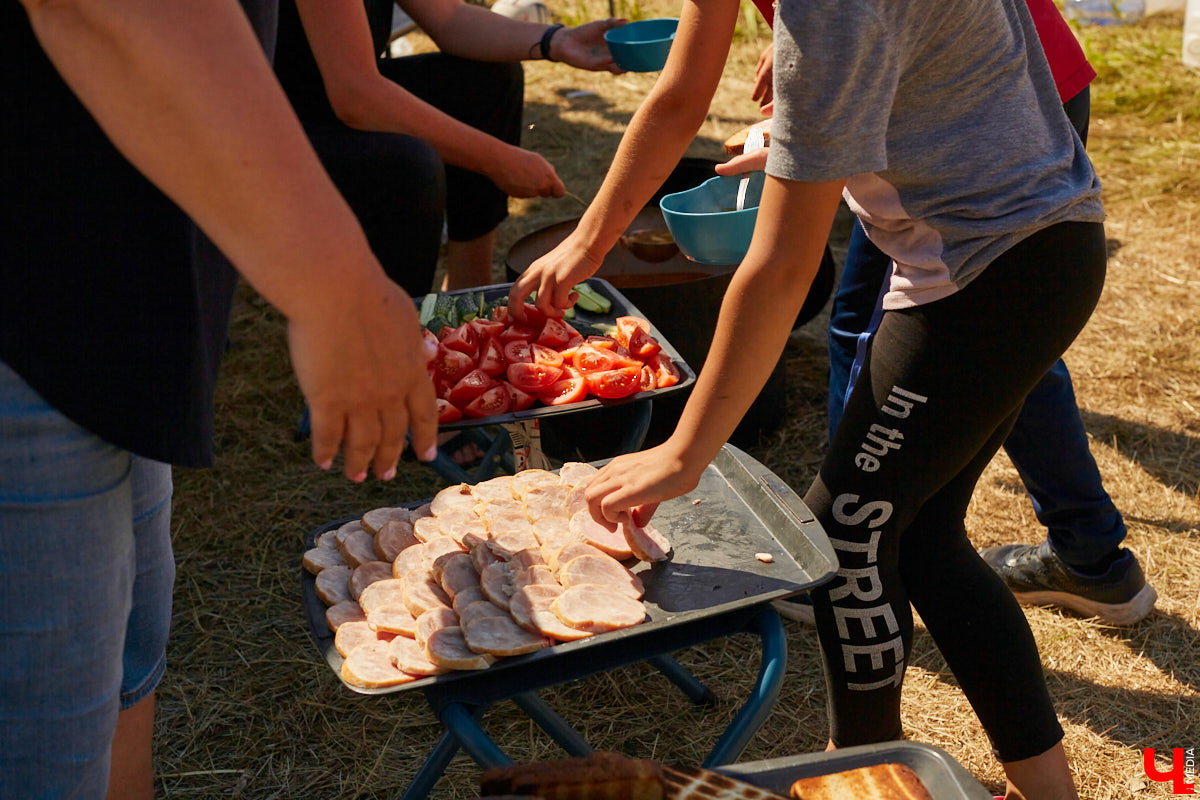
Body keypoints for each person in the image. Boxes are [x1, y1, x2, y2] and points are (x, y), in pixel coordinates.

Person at [511, 0, 1102, 795]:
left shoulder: (829, 12)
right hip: (1011, 251)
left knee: (845, 528)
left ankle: (859, 778)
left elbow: (782, 269)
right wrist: (590, 237)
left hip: (999, 269)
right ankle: (1044, 789)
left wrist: (685, 451)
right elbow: (683, 92)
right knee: (917, 536)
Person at [2, 1, 437, 797]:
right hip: (28, 317)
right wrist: (335, 285)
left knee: (119, 688)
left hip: (107, 314)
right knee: (42, 756)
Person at [795, 0, 1157, 628]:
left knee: (969, 327)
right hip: (996, 82)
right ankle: (1089, 552)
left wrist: (688, 450)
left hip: (983, 100)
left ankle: (844, 547)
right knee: (990, 336)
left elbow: (779, 268)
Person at [272, 0, 624, 293]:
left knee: (490, 80)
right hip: (268, 129)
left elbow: (450, 19)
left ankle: (467, 292)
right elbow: (357, 97)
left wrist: (558, 40)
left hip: (331, 101)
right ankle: (400, 337)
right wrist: (498, 160)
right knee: (409, 166)